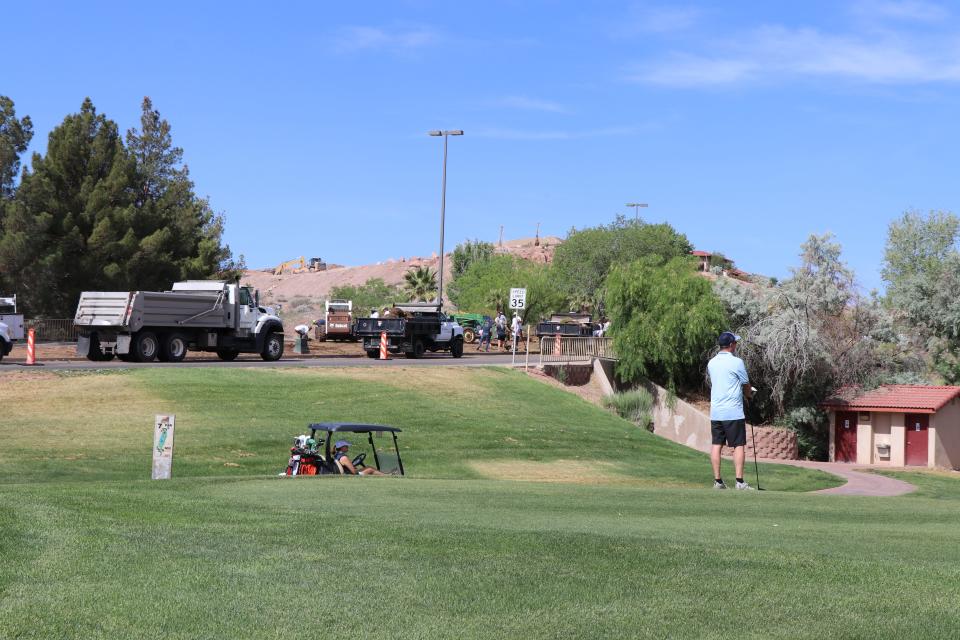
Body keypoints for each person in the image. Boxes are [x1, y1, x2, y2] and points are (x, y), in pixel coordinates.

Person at [707, 332, 754, 490]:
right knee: (738, 445)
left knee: (716, 444)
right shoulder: (737, 362)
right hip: (733, 411)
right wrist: (749, 396)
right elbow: (746, 384)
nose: (736, 345)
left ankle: (717, 481)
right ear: (731, 345)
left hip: (716, 411)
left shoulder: (712, 363)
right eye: (735, 343)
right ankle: (740, 482)